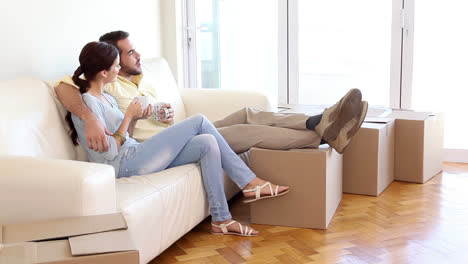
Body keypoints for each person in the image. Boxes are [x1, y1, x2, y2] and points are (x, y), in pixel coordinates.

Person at [68, 41, 291, 237]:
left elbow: (126, 138)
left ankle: (221, 219)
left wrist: (136, 118)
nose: (119, 69)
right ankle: (250, 183)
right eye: (116, 65)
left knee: (207, 142)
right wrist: (128, 117)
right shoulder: (88, 103)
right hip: (122, 165)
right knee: (200, 121)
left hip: (134, 153)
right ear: (103, 73)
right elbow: (109, 152)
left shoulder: (107, 97)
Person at [55, 31, 368, 156]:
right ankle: (325, 135)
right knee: (245, 131)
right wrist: (90, 119)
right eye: (129, 53)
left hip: (180, 128)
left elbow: (156, 111)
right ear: (110, 64)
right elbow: (62, 88)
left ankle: (321, 118)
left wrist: (160, 110)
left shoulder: (139, 78)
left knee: (247, 112)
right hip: (160, 145)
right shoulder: (100, 86)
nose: (138, 55)